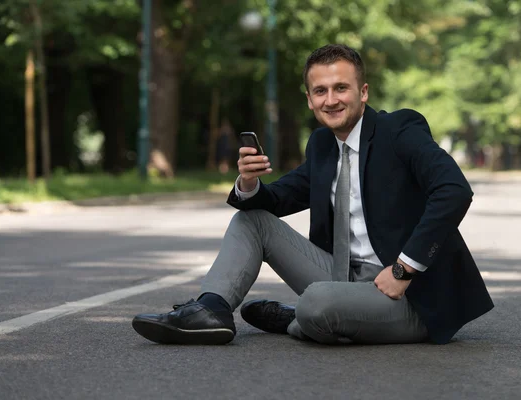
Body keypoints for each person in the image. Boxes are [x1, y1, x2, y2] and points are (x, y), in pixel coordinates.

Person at [132, 44, 494, 346]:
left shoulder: (399, 130)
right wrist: (248, 183)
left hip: (409, 294)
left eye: (341, 88)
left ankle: (296, 318)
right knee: (251, 219)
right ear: (309, 99)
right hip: (343, 277)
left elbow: (454, 190)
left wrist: (403, 269)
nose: (331, 99)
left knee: (316, 304)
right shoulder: (322, 144)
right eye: (320, 91)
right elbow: (277, 200)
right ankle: (210, 310)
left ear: (363, 92)